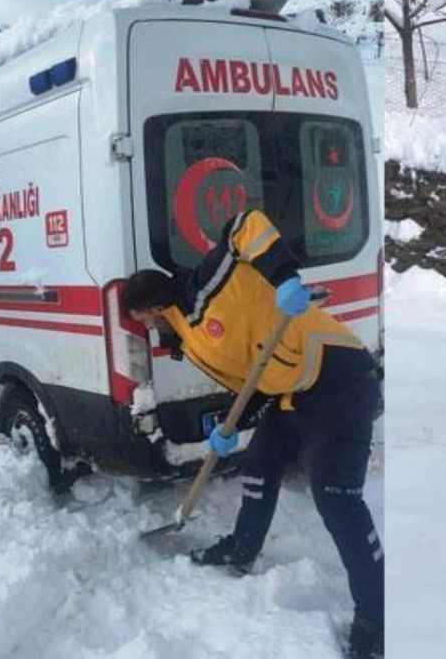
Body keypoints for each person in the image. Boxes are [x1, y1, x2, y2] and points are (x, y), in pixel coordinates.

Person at [121, 209, 383, 658]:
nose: (147, 329)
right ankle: (243, 548)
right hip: (289, 392)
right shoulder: (187, 334)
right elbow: (252, 382)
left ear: (156, 306)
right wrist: (235, 425)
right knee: (258, 465)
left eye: (144, 319)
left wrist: (282, 276)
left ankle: (376, 618)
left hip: (338, 376)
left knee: (336, 496)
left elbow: (245, 222)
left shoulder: (205, 287)